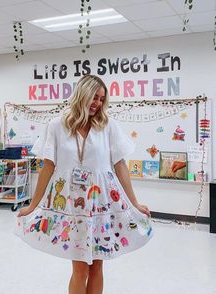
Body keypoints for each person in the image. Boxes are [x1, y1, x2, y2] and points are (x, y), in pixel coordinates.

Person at [16, 74, 153, 294]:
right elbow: (48, 168)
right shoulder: (56, 126)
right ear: (82, 94)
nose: (97, 103)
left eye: (101, 99)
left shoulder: (107, 126)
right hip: (72, 205)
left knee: (97, 264)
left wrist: (134, 204)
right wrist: (33, 206)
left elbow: (120, 167)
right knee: (80, 267)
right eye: (94, 97)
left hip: (102, 204)